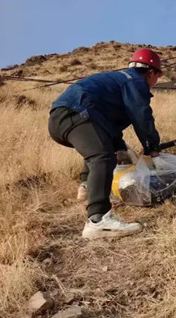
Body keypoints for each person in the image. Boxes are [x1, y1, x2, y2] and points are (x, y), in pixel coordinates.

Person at [48, 48, 163, 239]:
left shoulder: (118, 80)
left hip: (62, 118)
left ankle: (86, 186)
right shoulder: (134, 81)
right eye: (157, 76)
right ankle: (98, 220)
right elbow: (141, 115)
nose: (155, 83)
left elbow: (107, 127)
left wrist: (120, 146)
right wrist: (153, 149)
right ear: (151, 72)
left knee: (102, 146)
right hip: (76, 114)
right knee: (102, 156)